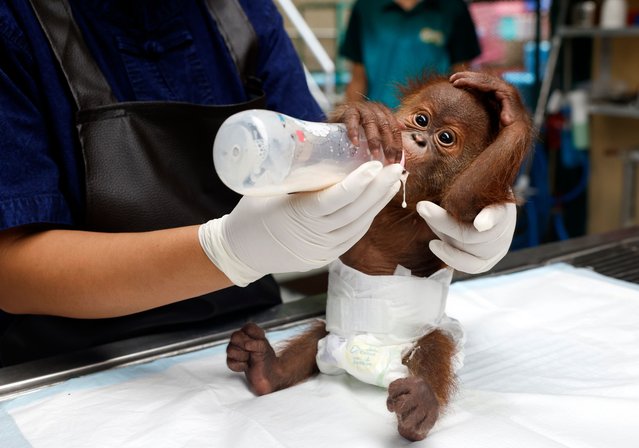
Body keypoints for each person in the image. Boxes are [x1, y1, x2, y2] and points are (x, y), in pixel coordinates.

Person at [0, 0, 513, 367]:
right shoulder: (18, 21)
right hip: (72, 361)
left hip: (244, 329)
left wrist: (467, 208)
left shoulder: (246, 13)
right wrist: (226, 251)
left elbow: (327, 183)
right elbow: (10, 271)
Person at [340, 0, 482, 107]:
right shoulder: (366, 7)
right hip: (377, 120)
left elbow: (462, 78)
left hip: (431, 123)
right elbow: (358, 79)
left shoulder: (453, 8)